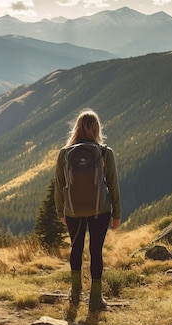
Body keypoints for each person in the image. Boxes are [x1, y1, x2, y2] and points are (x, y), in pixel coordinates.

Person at [54, 109, 121, 312]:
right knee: (95, 251)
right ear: (96, 128)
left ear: (77, 128)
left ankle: (75, 294)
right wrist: (116, 214)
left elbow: (59, 185)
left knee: (76, 248)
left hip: (73, 211)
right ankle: (95, 299)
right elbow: (113, 184)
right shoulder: (104, 152)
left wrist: (61, 212)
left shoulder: (65, 153)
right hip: (100, 210)